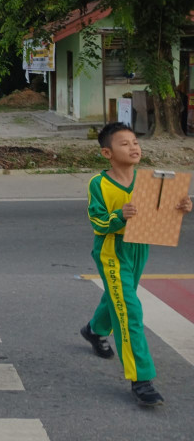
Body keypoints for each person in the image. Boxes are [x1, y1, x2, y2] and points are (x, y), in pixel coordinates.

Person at [80, 122, 192, 406]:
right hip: (112, 252)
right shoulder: (100, 183)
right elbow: (97, 221)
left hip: (139, 247)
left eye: (135, 142)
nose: (133, 147)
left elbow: (160, 212)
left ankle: (94, 329)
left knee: (117, 296)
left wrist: (180, 206)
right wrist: (119, 215)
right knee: (129, 309)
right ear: (107, 152)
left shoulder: (149, 180)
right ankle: (141, 378)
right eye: (125, 143)